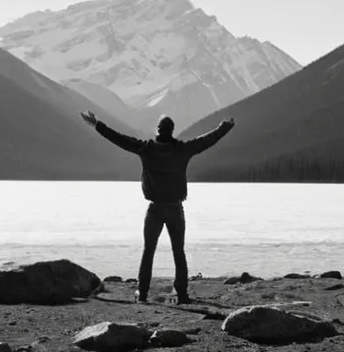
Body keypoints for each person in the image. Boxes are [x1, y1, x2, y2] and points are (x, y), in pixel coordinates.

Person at [81, 110, 235, 304]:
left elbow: (119, 139)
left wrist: (97, 124)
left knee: (148, 251)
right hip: (176, 209)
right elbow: (207, 140)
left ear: (157, 130)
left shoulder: (147, 148)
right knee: (179, 252)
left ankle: (143, 293)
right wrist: (224, 127)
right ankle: (182, 294)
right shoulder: (183, 149)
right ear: (172, 131)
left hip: (154, 209)